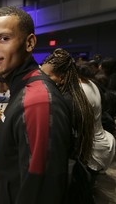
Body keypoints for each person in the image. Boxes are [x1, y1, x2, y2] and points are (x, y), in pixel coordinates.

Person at [0, 6, 72, 203]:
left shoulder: (36, 101)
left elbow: (41, 190)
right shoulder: (22, 87)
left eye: (3, 38)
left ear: (29, 42)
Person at [41, 48, 96, 203]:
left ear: (62, 78)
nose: (42, 81)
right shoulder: (75, 94)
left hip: (65, 167)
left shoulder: (63, 102)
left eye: (47, 77)